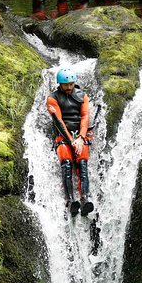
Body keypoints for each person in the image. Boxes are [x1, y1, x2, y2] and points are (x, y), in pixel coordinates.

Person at [46, 68, 94, 217]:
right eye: (65, 85)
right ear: (59, 84)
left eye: (71, 84)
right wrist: (72, 141)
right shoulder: (52, 99)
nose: (68, 87)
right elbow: (59, 122)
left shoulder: (82, 96)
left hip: (80, 135)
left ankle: (85, 199)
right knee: (66, 163)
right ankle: (70, 201)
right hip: (63, 136)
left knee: (82, 163)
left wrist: (80, 137)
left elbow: (85, 117)